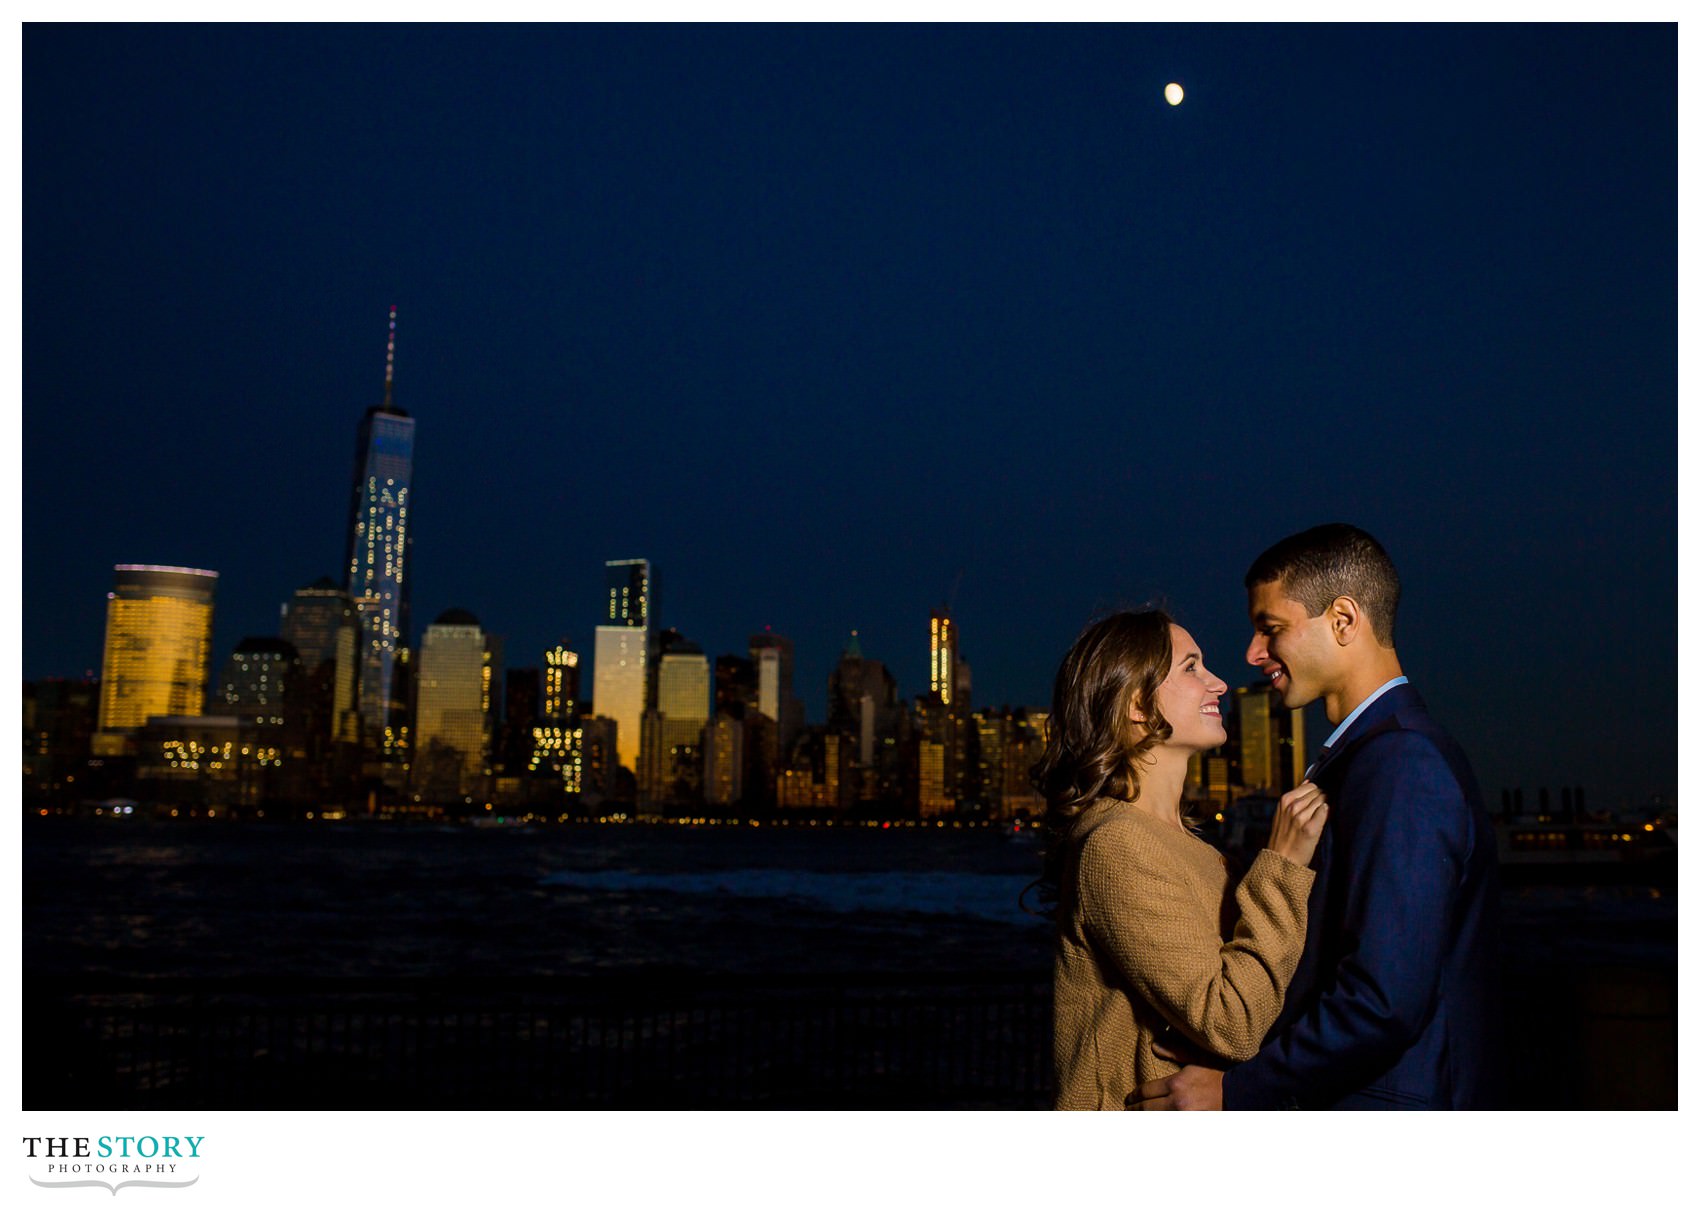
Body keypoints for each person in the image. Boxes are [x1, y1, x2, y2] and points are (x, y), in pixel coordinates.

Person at [1131, 524, 1503, 1110]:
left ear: (1344, 620)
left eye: (1270, 628)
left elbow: (1382, 1003)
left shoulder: (1404, 762)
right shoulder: (1366, 757)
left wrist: (1234, 1092)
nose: (1253, 653)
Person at [1034, 609, 1330, 1111]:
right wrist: (1282, 865)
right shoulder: (1117, 844)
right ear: (1137, 705)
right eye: (1191, 668)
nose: (1217, 683)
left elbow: (1255, 998)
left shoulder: (1193, 850)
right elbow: (1232, 1021)